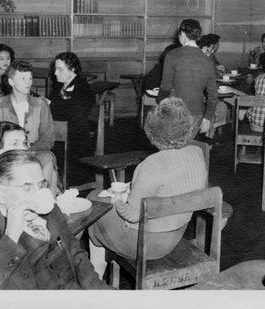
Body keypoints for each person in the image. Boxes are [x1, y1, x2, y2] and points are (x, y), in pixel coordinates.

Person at [88, 98, 207, 277]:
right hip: (175, 235)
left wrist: (118, 200)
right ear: (187, 127)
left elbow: (132, 216)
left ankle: (95, 271)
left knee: (94, 201)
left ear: (153, 133)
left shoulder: (151, 165)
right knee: (98, 204)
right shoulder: (197, 153)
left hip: (146, 244)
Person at [0, 150, 110, 290]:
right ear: (1, 193)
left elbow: (76, 254)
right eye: (27, 187)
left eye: (41, 185)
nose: (39, 194)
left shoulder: (51, 211)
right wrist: (11, 236)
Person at [0, 60, 60, 195]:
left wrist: (29, 149)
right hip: (6, 155)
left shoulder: (41, 104)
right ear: (11, 82)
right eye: (23, 78)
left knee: (47, 158)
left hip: (34, 153)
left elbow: (48, 138)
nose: (28, 82)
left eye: (30, 78)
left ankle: (44, 201)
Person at [158, 19, 218, 137]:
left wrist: (160, 103)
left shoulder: (172, 55)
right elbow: (213, 95)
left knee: (171, 150)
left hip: (174, 112)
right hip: (196, 114)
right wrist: (207, 118)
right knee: (186, 148)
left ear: (183, 35)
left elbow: (165, 87)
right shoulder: (207, 60)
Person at [49, 52, 95, 185]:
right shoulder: (58, 86)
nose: (56, 73)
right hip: (60, 130)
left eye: (60, 69)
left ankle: (56, 182)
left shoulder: (82, 88)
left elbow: (75, 115)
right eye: (55, 69)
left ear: (73, 69)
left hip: (75, 136)